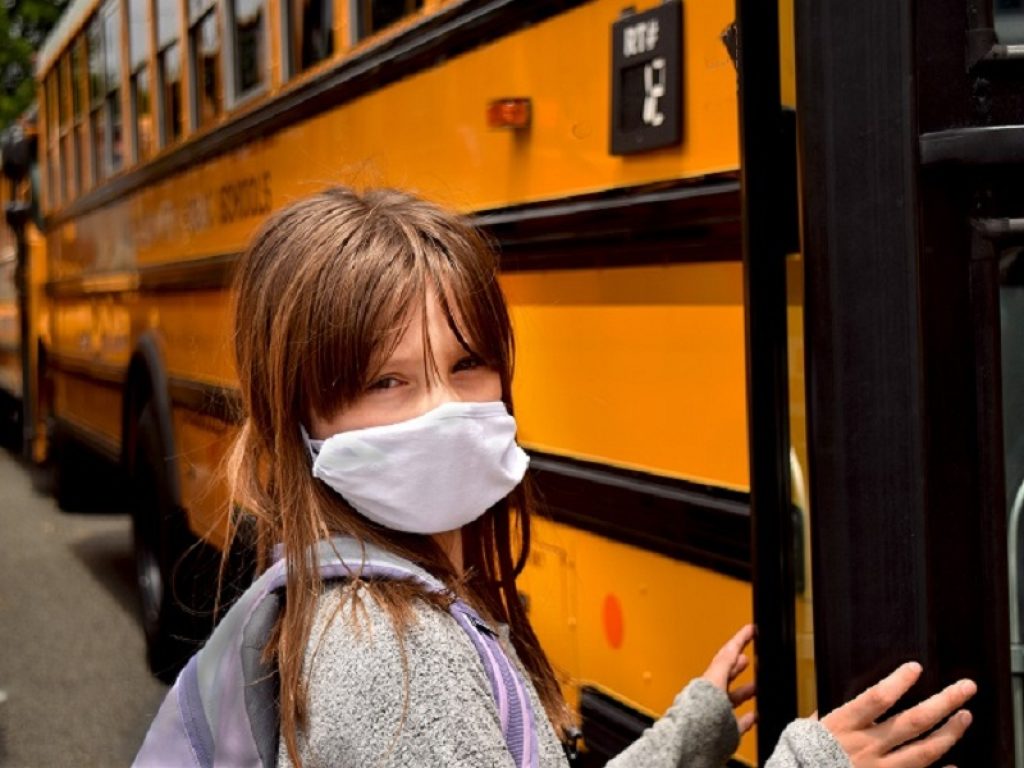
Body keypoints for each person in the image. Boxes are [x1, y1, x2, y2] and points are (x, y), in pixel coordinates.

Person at [221, 186, 975, 768]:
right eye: (386, 382)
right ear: (300, 418)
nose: (444, 411)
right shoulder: (390, 657)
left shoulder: (399, 600)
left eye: (467, 365)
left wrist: (684, 738)